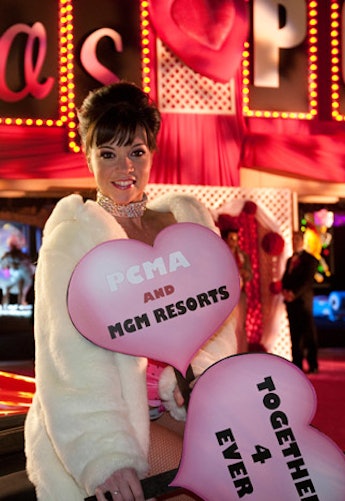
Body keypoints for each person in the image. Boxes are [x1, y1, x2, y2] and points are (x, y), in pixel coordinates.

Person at [24, 81, 237, 501]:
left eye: (136, 151)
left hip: (178, 403)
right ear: (88, 157)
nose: (125, 167)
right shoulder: (73, 241)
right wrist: (103, 453)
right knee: (195, 484)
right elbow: (66, 361)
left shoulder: (185, 224)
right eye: (108, 153)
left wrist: (198, 375)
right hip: (110, 417)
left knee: (247, 466)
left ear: (153, 152)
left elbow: (216, 320)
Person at [281, 230, 319, 374]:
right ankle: (297, 363)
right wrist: (285, 291)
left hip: (303, 302)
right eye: (293, 239)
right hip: (291, 303)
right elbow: (285, 279)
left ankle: (312, 363)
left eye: (297, 239)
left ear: (302, 241)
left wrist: (294, 294)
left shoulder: (310, 260)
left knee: (308, 334)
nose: (295, 242)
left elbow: (307, 282)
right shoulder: (290, 260)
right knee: (294, 334)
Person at [221, 227, 253, 353]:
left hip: (240, 294)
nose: (233, 241)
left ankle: (241, 353)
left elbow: (250, 274)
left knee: (240, 326)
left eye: (235, 238)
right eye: (231, 238)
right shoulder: (221, 254)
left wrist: (245, 273)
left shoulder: (242, 256)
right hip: (225, 295)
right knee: (226, 326)